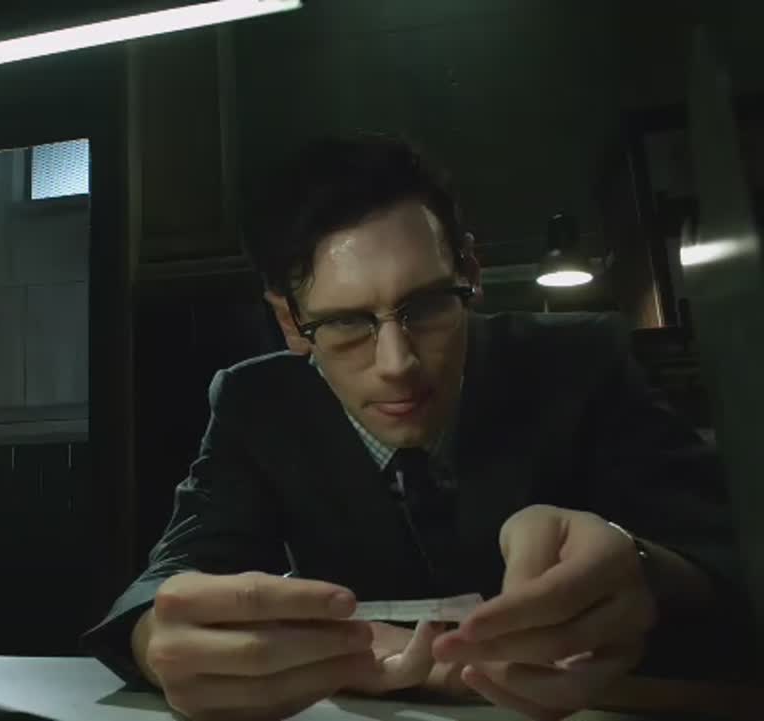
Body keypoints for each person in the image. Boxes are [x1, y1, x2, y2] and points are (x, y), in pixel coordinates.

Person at [83, 135, 753, 720]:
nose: (397, 364)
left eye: (427, 305)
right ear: (290, 322)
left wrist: (642, 570)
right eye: (346, 323)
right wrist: (157, 638)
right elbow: (167, 581)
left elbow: (731, 563)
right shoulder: (256, 403)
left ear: (471, 274)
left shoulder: (578, 361)